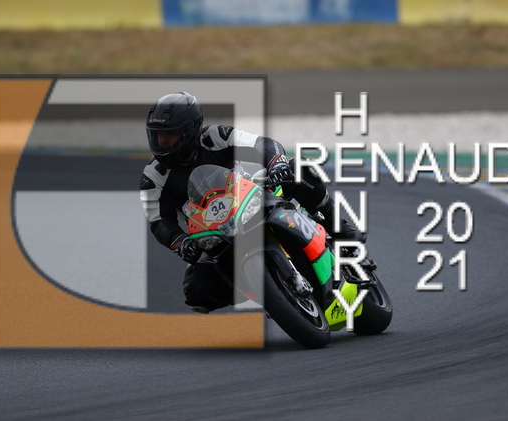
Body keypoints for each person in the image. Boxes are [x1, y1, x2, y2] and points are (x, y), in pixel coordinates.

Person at [140, 91, 363, 313]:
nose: (162, 142)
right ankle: (269, 291)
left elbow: (260, 143)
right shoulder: (153, 176)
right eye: (157, 136)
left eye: (170, 135)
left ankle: (338, 226)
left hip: (249, 198)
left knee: (298, 170)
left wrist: (276, 162)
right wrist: (181, 242)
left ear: (190, 130)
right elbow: (159, 222)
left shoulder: (214, 137)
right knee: (196, 291)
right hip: (211, 232)